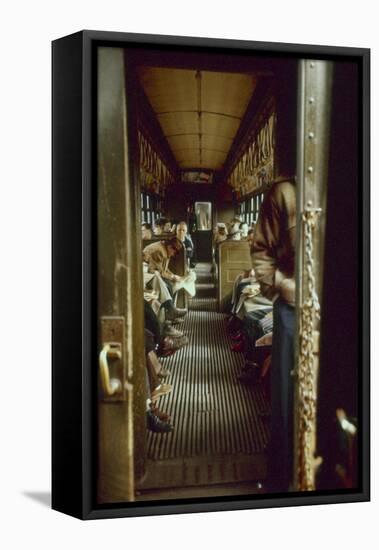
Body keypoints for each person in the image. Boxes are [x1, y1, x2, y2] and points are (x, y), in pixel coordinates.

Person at [252, 176, 296, 493]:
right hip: (292, 308)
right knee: (286, 393)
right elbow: (261, 249)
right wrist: (279, 283)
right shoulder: (284, 192)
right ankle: (281, 476)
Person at [143, 237, 188, 320]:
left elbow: (164, 269)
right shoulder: (160, 251)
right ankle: (170, 312)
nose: (175, 254)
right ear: (170, 247)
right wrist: (173, 277)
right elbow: (160, 272)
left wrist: (173, 275)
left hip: (151, 272)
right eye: (175, 251)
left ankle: (171, 313)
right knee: (168, 285)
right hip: (146, 273)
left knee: (171, 284)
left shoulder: (165, 249)